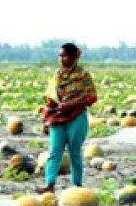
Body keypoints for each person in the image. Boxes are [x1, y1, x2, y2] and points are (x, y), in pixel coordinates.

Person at [35, 43, 98, 194]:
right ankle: (50, 185)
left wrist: (72, 104)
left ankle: (77, 185)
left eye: (65, 56)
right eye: (60, 56)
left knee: (74, 152)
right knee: (54, 151)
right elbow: (51, 97)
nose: (62, 59)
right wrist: (47, 116)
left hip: (77, 116)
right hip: (58, 116)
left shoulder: (84, 76)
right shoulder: (57, 75)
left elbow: (92, 97)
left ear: (74, 57)